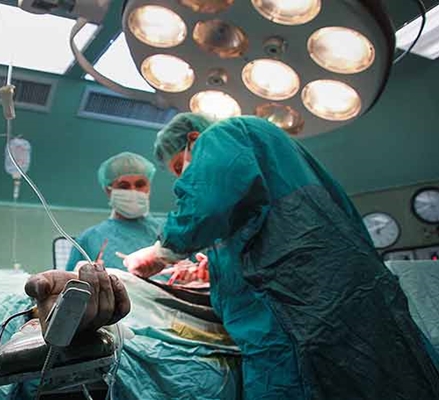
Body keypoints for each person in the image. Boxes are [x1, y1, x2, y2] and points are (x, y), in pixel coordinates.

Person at [122, 113, 439, 399]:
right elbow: (263, 228)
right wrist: (215, 268)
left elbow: (207, 205)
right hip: (346, 303)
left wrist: (160, 252)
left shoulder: (223, 134)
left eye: (180, 167)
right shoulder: (275, 153)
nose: (183, 179)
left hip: (300, 316)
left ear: (193, 139)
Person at [65, 152, 164, 273]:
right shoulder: (90, 239)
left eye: (140, 184)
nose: (133, 191)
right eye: (124, 186)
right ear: (108, 190)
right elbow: (71, 281)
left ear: (149, 187)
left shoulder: (169, 229)